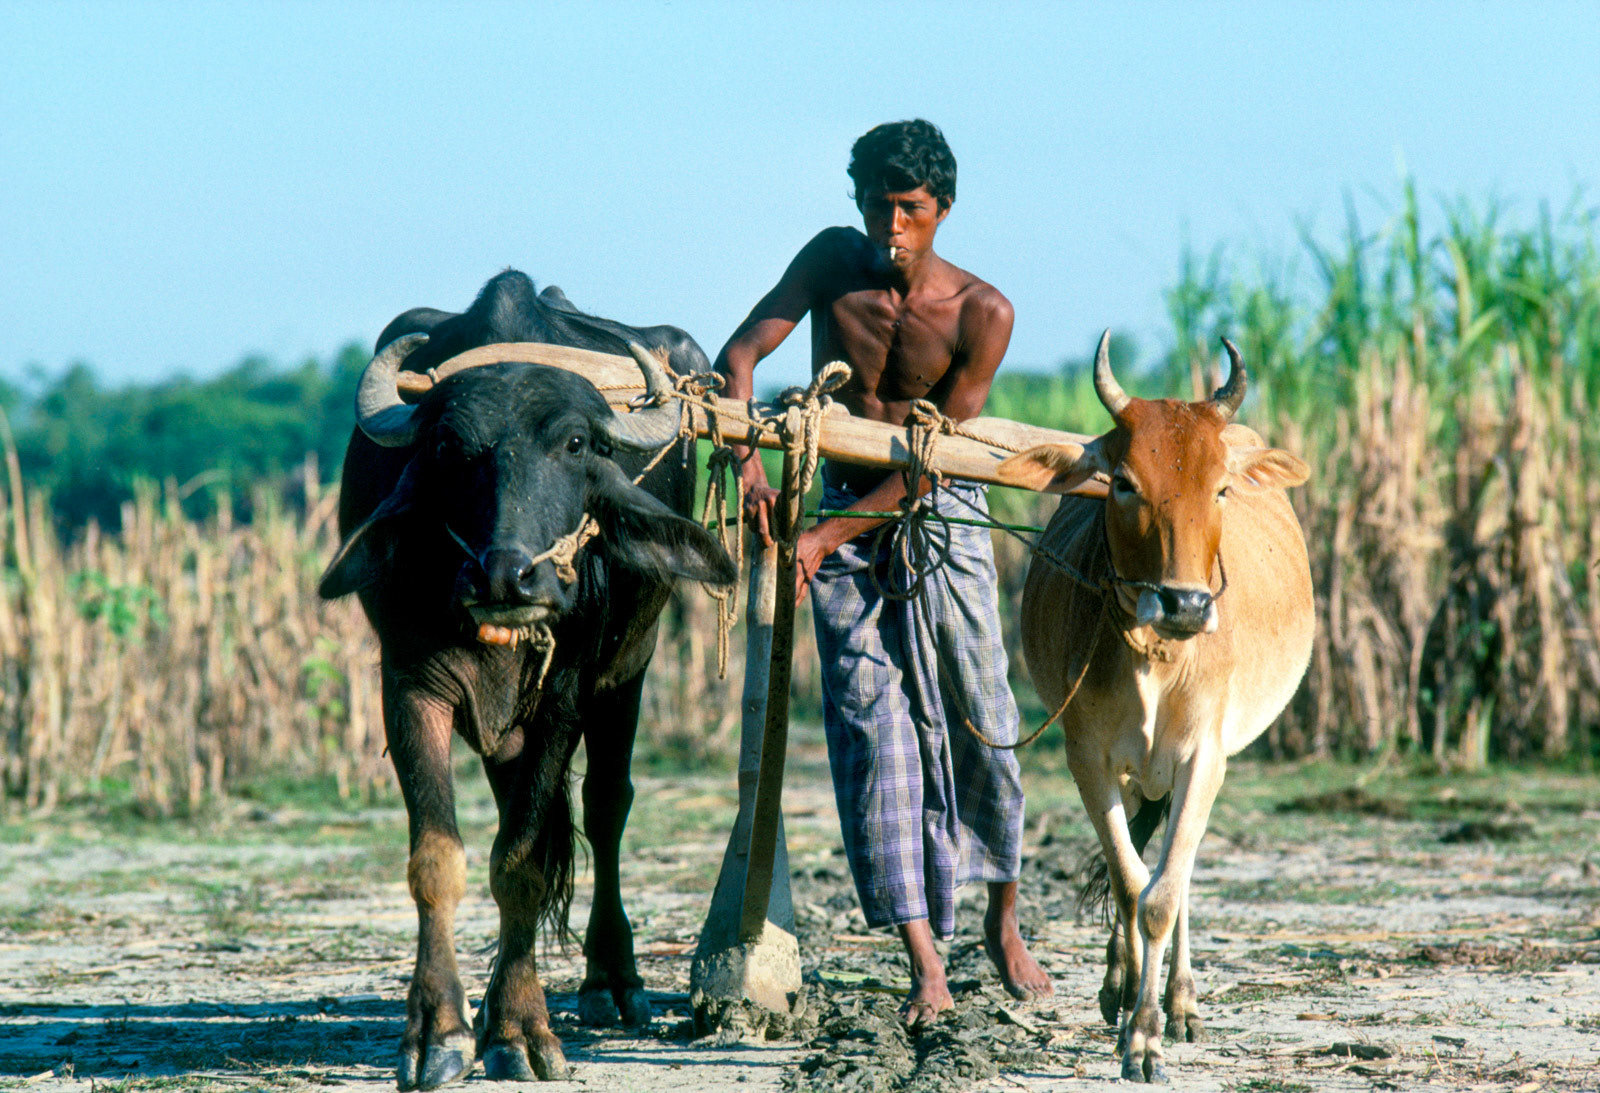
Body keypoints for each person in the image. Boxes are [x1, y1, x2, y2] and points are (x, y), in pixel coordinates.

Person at [714, 119, 1052, 1028]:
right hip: (836, 509)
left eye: (907, 208)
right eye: (875, 204)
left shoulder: (985, 312)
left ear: (941, 209)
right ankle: (925, 961)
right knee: (873, 727)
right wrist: (747, 458)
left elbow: (935, 461)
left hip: (938, 511)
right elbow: (741, 355)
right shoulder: (833, 261)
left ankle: (1002, 920)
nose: (889, 224)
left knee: (982, 710)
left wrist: (819, 540)